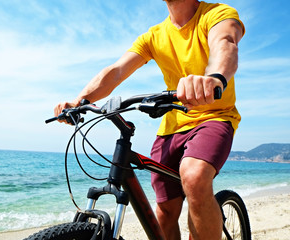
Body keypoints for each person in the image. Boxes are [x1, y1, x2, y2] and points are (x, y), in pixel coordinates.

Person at [54, 0, 245, 239]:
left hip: (214, 117)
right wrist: (80, 99)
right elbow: (117, 71)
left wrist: (214, 77)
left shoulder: (217, 13)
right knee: (165, 210)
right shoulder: (154, 36)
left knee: (194, 177)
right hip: (171, 127)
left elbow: (224, 44)